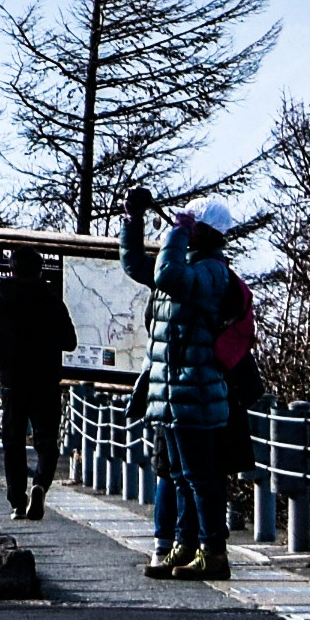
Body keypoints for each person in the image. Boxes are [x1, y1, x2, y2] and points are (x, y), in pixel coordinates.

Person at [120, 190, 245, 580]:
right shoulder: (188, 265)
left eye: (192, 224)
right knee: (178, 476)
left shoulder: (210, 273)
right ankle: (184, 545)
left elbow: (166, 274)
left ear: (206, 233)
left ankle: (213, 552)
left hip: (196, 394)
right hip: (171, 393)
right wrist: (133, 221)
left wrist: (175, 233)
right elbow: (135, 264)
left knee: (200, 478)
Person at [0, 247, 71, 519]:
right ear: (40, 271)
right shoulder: (51, 301)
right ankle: (40, 485)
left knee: (13, 442)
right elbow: (70, 341)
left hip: (12, 382)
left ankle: (16, 501)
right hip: (45, 382)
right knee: (47, 441)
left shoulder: (1, 303)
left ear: (12, 270)